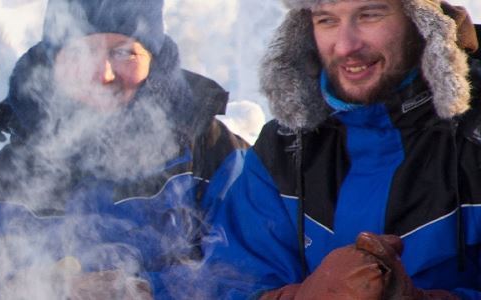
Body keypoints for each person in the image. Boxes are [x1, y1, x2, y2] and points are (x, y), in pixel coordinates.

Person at [201, 0, 481, 298]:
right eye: (326, 20)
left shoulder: (472, 140)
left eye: (370, 15)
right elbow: (230, 281)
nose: (346, 46)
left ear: (419, 19)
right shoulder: (284, 148)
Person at [0, 0, 247, 297]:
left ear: (153, 58)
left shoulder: (208, 151)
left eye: (124, 53)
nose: (104, 74)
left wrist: (146, 290)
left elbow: (250, 272)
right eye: (82, 52)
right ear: (54, 62)